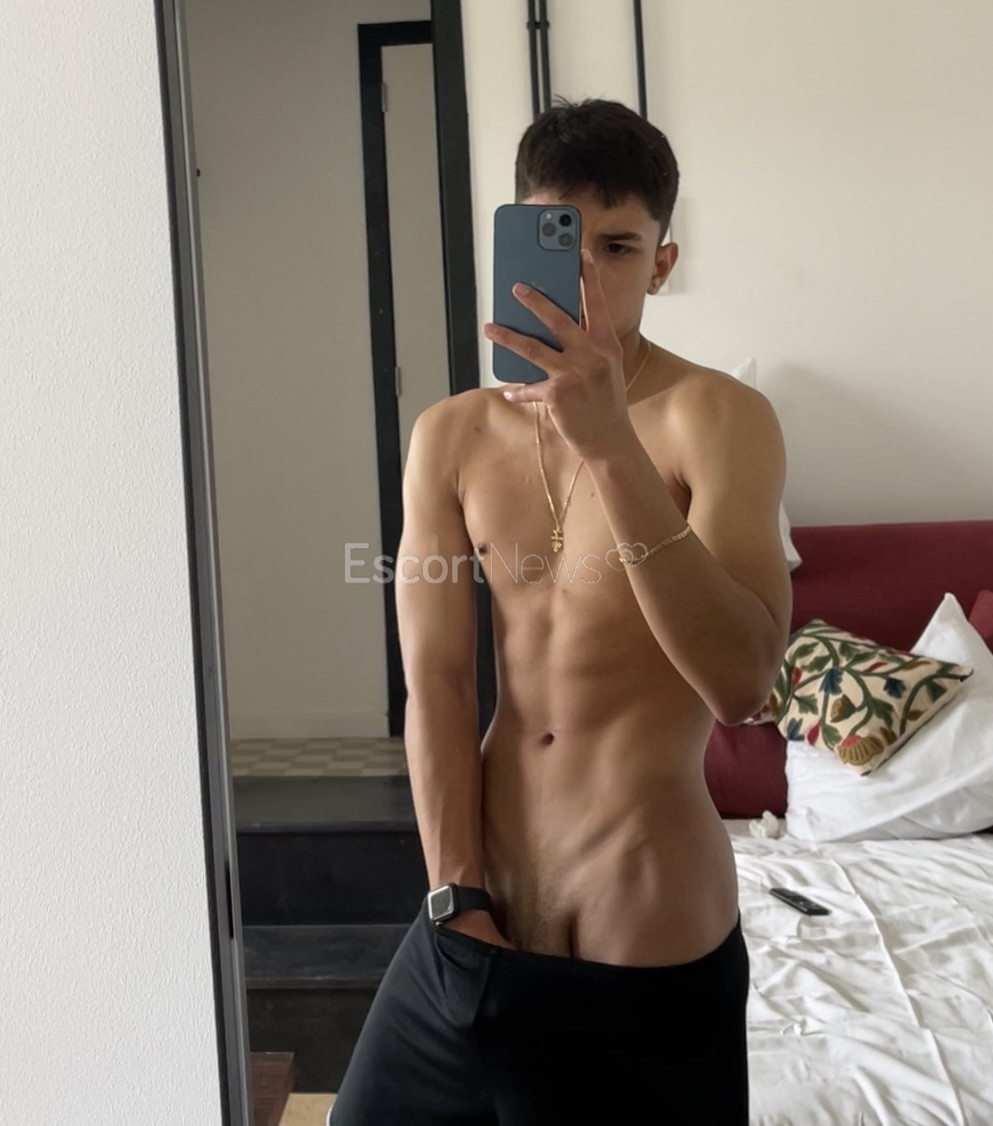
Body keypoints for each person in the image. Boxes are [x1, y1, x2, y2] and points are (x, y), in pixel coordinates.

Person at [329, 98, 791, 1125]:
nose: (584, 278)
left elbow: (740, 682)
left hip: (645, 920)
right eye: (557, 242)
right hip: (474, 908)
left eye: (616, 248)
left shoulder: (719, 419)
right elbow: (436, 683)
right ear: (510, 245)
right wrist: (454, 890)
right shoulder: (449, 436)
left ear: (661, 265)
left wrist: (609, 441)